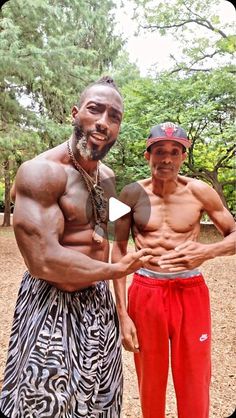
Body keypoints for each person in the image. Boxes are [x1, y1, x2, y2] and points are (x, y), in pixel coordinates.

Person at [0, 76, 153, 418]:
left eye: (114, 116)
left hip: (98, 308)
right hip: (51, 306)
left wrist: (123, 311)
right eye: (95, 110)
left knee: (100, 404)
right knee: (43, 405)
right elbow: (44, 261)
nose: (103, 121)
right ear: (75, 113)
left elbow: (109, 242)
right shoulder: (41, 173)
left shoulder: (108, 176)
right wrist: (116, 270)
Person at [112, 122, 236, 418]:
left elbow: (233, 234)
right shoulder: (127, 194)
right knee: (150, 381)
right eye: (159, 151)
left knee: (194, 376)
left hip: (189, 290)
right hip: (146, 291)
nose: (166, 158)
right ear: (147, 155)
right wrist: (122, 314)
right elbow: (116, 248)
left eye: (174, 151)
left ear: (183, 156)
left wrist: (208, 251)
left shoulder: (201, 192)